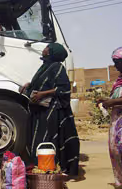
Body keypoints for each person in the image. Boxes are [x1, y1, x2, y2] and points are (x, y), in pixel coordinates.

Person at [20, 43, 80, 176]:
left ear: (52, 52)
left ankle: (53, 166)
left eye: (48, 47)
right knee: (38, 138)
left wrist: (42, 94)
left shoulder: (58, 67)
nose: (44, 49)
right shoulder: (45, 67)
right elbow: (44, 82)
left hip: (51, 111)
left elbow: (63, 88)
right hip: (40, 110)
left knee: (49, 138)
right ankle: (40, 166)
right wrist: (30, 85)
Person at [98, 47, 122, 189]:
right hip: (117, 120)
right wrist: (107, 101)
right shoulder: (121, 79)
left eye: (118, 62)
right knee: (116, 149)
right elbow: (118, 98)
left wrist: (113, 102)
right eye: (113, 62)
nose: (115, 65)